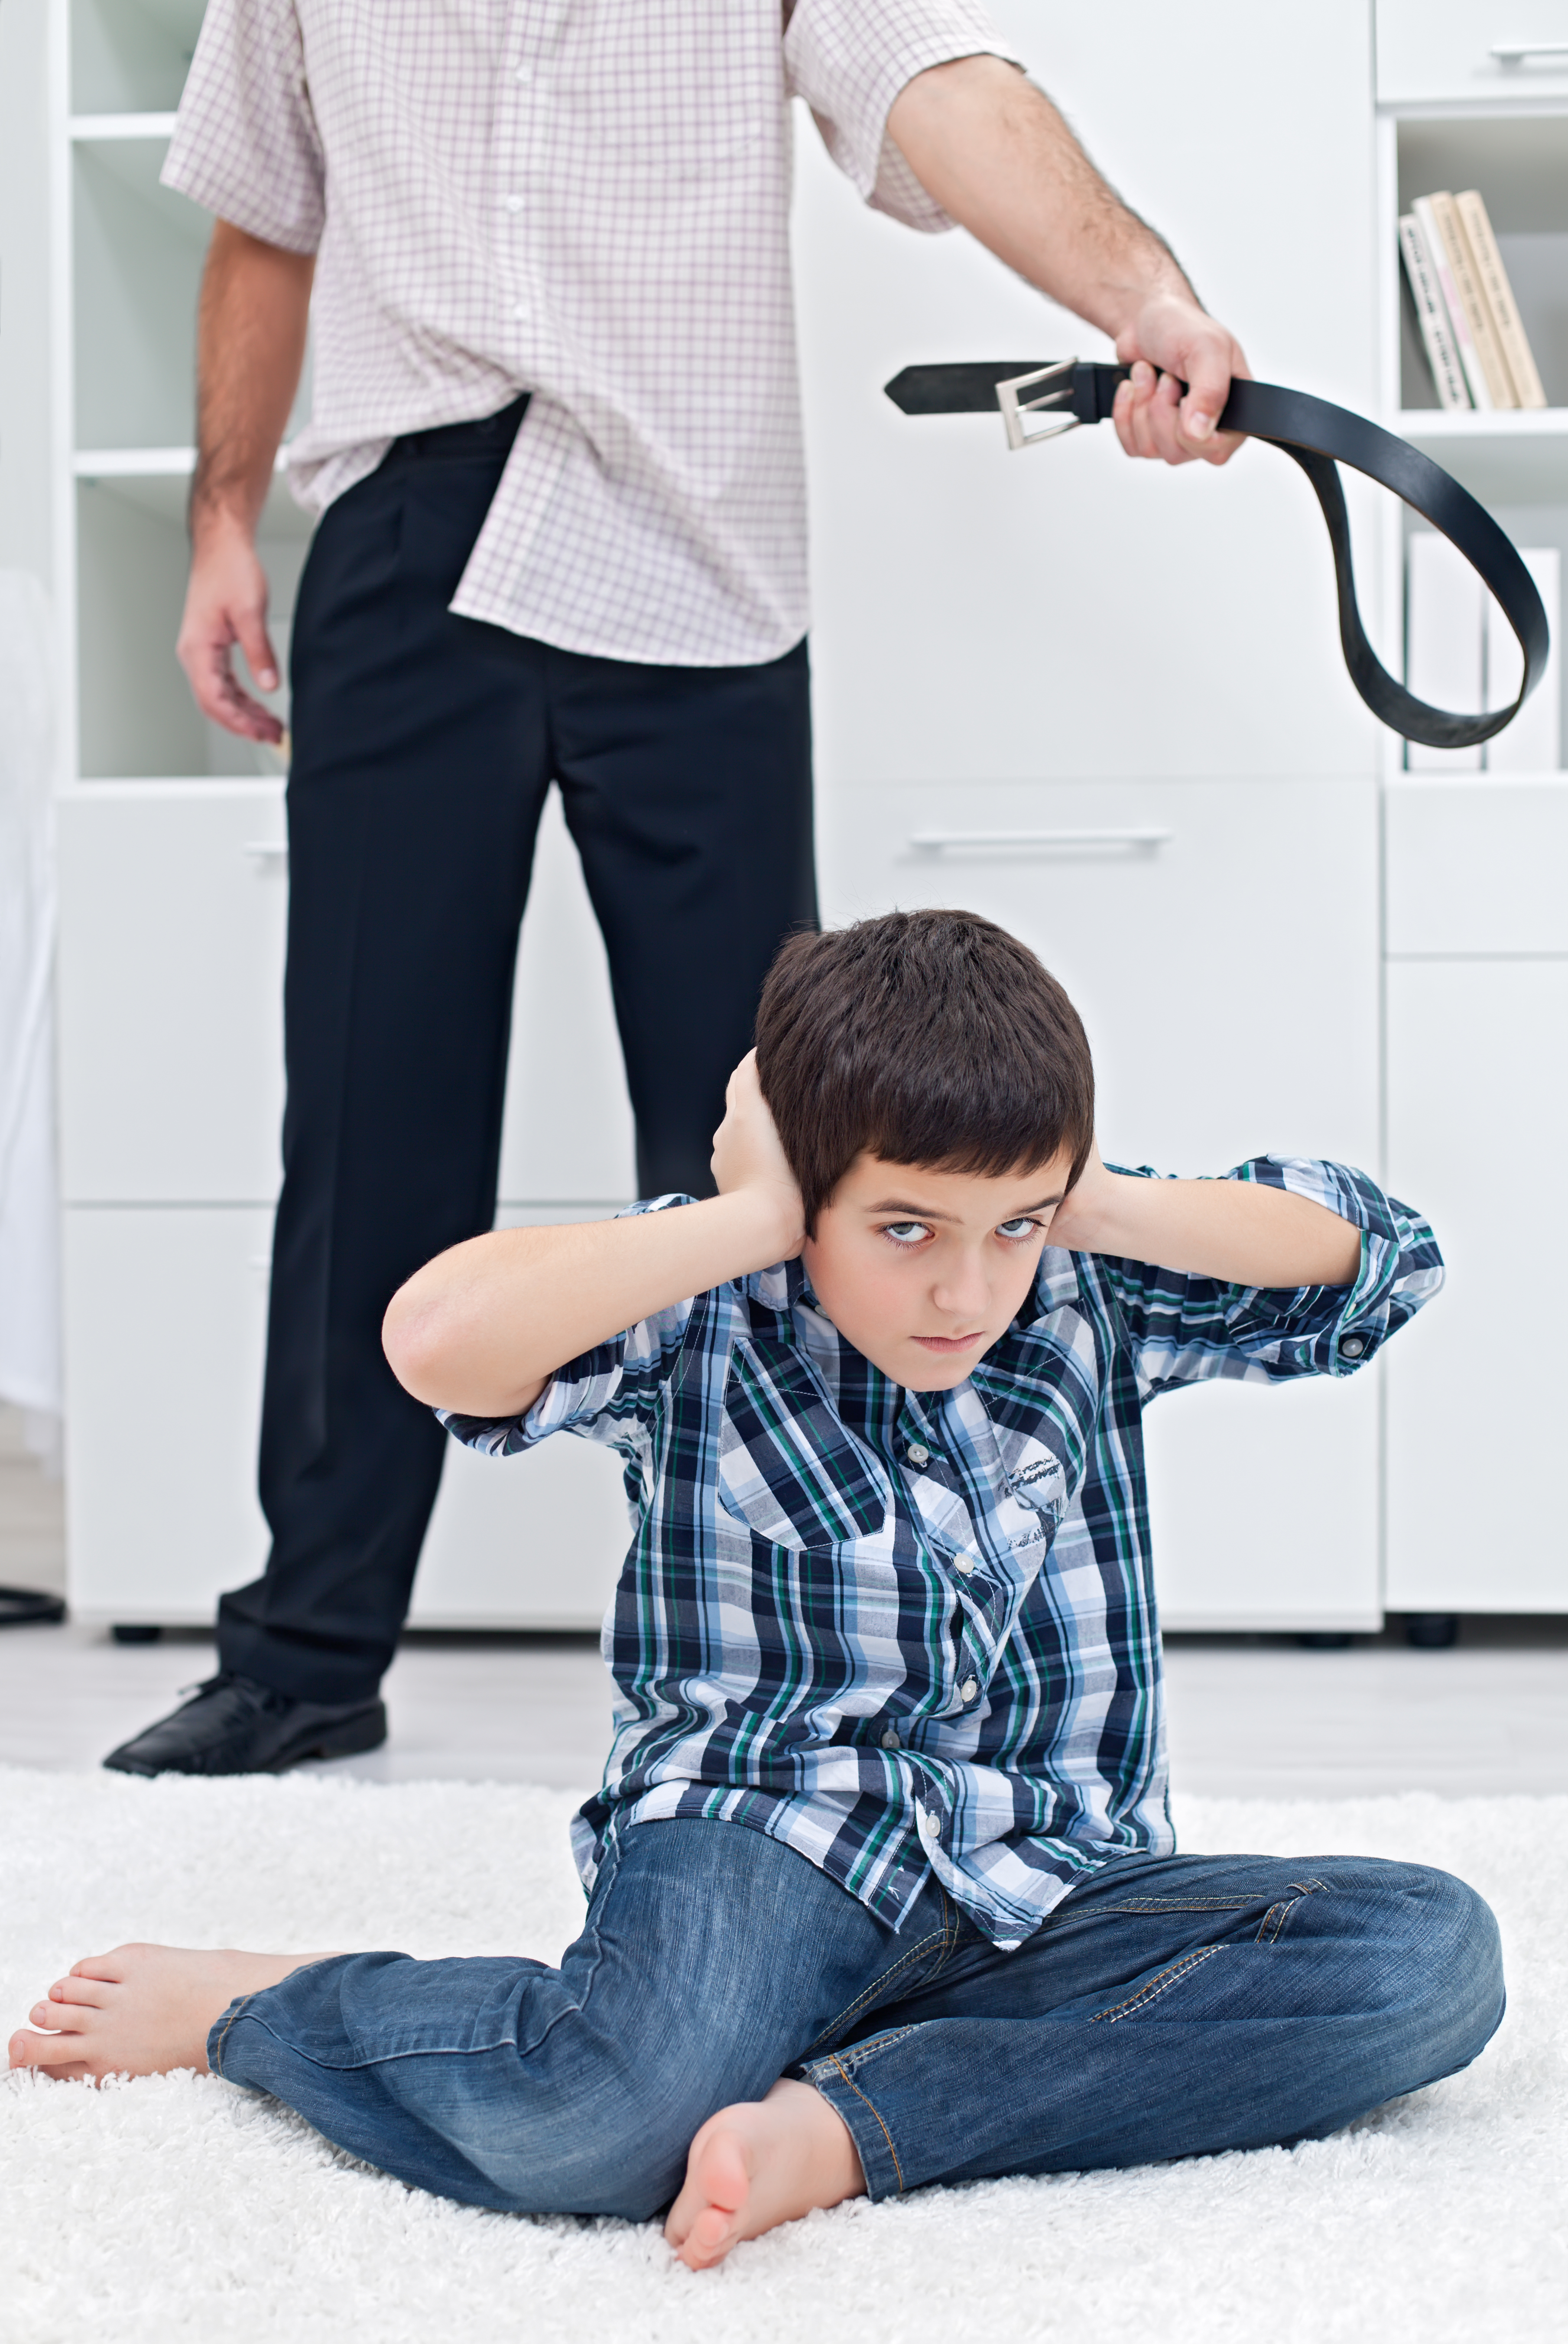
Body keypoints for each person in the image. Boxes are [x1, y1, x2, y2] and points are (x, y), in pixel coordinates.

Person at [104, 2, 1252, 1778]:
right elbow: (268, 213)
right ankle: (308, 1649)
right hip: (412, 539)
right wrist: (222, 524)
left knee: (772, 1145)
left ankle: (829, 1637)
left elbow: (939, 89)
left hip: (695, 560)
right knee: (367, 1113)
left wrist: (1139, 300)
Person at [19, 912, 1502, 2269]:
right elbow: (433, 1339)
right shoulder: (710, 1303)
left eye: (1010, 1229)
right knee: (593, 2124)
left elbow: (1381, 1261)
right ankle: (256, 2008)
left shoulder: (1082, 1285)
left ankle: (856, 2121)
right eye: (904, 1228)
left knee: (1428, 1963)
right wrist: (751, 1213)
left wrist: (1089, 1201)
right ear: (808, 1189)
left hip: (1049, 1876)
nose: (963, 1294)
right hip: (769, 1841)